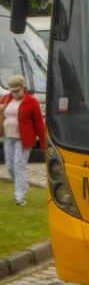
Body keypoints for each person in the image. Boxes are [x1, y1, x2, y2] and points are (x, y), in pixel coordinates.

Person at [0, 75, 45, 206]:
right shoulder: (6, 99)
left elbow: (39, 124)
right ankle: (23, 185)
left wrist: (43, 144)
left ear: (23, 88)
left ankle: (19, 196)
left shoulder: (32, 102)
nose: (14, 93)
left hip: (24, 139)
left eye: (17, 90)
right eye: (12, 91)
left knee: (19, 165)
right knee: (9, 165)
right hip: (8, 137)